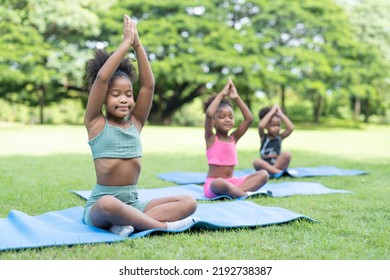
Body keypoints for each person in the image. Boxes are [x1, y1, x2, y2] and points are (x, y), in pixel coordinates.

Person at [83, 15, 198, 236]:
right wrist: (125, 43)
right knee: (110, 204)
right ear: (104, 99)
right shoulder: (95, 123)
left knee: (188, 202)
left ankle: (128, 223)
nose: (124, 99)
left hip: (134, 204)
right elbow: (101, 80)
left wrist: (137, 44)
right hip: (102, 205)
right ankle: (163, 226)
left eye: (128, 94)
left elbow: (148, 85)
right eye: (116, 95)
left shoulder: (135, 123)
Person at [202, 78, 269, 199]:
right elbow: (209, 114)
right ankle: (243, 195)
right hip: (215, 184)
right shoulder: (211, 138)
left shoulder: (234, 138)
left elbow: (249, 118)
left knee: (263, 174)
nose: (227, 119)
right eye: (222, 116)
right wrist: (222, 93)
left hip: (233, 182)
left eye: (230, 117)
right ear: (213, 122)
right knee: (219, 182)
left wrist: (236, 97)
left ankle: (235, 192)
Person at [252, 104, 294, 177]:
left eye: (278, 125)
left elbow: (291, 128)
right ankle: (278, 172)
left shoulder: (280, 137)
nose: (276, 128)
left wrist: (281, 114)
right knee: (256, 162)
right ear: (266, 126)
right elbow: (261, 126)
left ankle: (274, 172)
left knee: (287, 154)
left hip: (278, 164)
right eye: (273, 125)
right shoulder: (263, 137)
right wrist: (271, 112)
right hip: (265, 167)